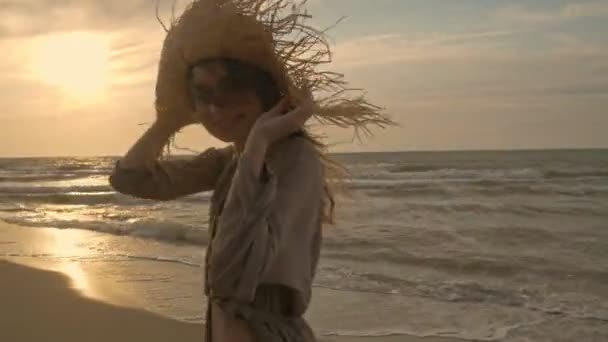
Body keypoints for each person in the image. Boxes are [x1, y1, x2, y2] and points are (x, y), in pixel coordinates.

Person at [108, 1, 393, 341]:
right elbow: (130, 178)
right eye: (203, 95)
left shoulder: (295, 159)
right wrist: (167, 122)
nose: (217, 106)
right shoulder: (231, 161)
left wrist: (259, 140)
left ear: (264, 92)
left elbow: (231, 275)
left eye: (231, 89)